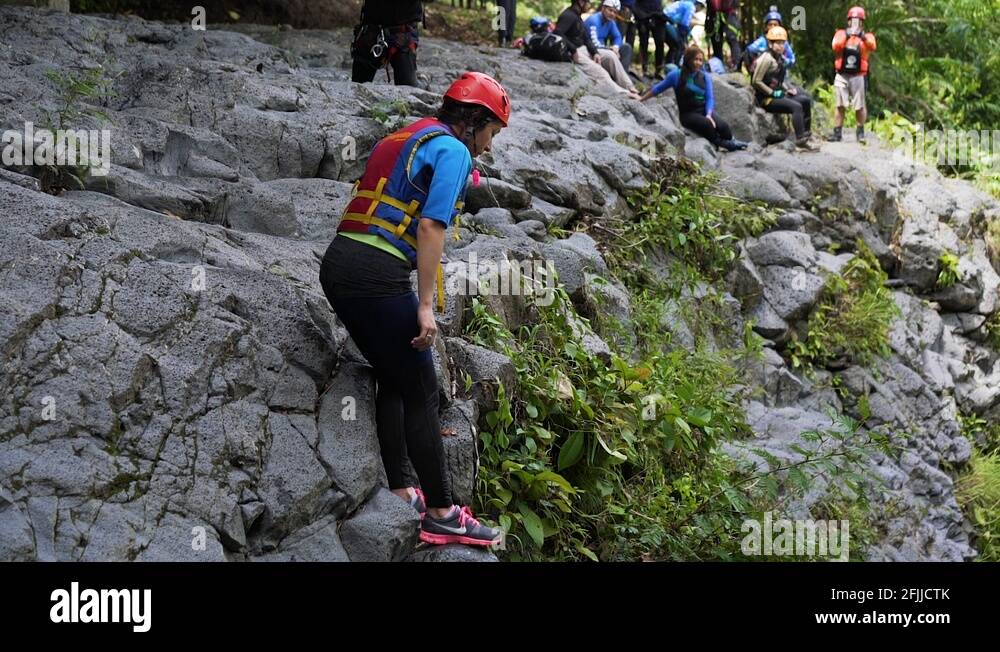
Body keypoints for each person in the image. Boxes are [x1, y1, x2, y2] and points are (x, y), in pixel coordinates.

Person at [320, 72, 511, 547]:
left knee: (396, 371)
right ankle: (444, 513)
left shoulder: (405, 135)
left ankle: (404, 490)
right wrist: (426, 305)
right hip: (376, 275)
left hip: (340, 264)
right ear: (476, 122)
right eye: (492, 133)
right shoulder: (454, 150)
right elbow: (430, 227)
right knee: (424, 386)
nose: (488, 147)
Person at [641, 45, 747, 152]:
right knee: (708, 125)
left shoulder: (705, 77)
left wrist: (709, 114)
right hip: (687, 114)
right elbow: (657, 89)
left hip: (703, 110)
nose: (698, 63)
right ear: (688, 59)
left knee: (724, 127)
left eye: (701, 60)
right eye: (695, 59)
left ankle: (731, 140)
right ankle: (726, 144)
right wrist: (641, 99)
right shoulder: (676, 75)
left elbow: (710, 98)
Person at [556, 0, 642, 98]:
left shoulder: (577, 16)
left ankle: (629, 87)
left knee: (611, 56)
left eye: (615, 12)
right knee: (600, 71)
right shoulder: (569, 16)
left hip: (583, 49)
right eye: (587, 2)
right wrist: (573, 50)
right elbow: (557, 32)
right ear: (580, 2)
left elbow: (586, 38)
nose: (589, 5)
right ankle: (625, 94)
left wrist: (595, 52)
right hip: (573, 52)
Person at [751, 26, 815, 149]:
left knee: (805, 101)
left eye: (782, 43)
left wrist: (786, 89)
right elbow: (756, 81)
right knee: (796, 107)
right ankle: (800, 139)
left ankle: (806, 134)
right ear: (770, 44)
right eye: (777, 43)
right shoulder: (766, 58)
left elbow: (778, 79)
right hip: (766, 99)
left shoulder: (779, 58)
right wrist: (772, 93)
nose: (780, 46)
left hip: (777, 94)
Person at [829, 6, 877, 143]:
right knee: (840, 104)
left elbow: (872, 46)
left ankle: (860, 132)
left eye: (858, 20)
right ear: (848, 21)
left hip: (858, 76)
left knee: (859, 105)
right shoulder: (841, 33)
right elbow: (835, 46)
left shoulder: (867, 36)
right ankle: (837, 132)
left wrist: (861, 37)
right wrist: (847, 35)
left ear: (862, 22)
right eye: (853, 20)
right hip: (842, 74)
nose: (855, 23)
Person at [351, 0, 424, 86]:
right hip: (371, 32)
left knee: (409, 91)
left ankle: (424, 82)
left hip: (402, 34)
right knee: (356, 86)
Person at [586, 0, 639, 93]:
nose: (612, 14)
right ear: (603, 8)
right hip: (593, 52)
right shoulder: (593, 20)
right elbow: (593, 44)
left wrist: (615, 47)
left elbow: (617, 36)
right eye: (610, 10)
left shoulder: (610, 22)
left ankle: (622, 76)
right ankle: (627, 85)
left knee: (626, 47)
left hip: (604, 50)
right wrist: (610, 49)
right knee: (611, 54)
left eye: (615, 12)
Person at [744, 5, 796, 72]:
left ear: (779, 26)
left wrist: (784, 60)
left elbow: (792, 59)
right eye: (770, 24)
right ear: (766, 27)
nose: (772, 27)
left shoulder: (784, 43)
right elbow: (749, 50)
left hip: (779, 73)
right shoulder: (762, 40)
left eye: (775, 24)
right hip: (763, 72)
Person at [662, 0, 703, 67]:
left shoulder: (686, 3)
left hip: (666, 22)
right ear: (699, 5)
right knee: (680, 46)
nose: (699, 11)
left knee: (674, 46)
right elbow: (684, 24)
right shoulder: (691, 6)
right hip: (667, 22)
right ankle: (676, 67)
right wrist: (684, 40)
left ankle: (668, 66)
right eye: (701, 8)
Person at [633, 0, 666, 79]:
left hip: (658, 16)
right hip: (642, 15)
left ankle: (658, 70)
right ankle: (643, 68)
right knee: (643, 43)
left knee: (660, 42)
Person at [705, 0, 741, 71]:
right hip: (718, 17)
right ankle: (720, 65)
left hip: (723, 16)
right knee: (719, 41)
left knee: (730, 40)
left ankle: (736, 64)